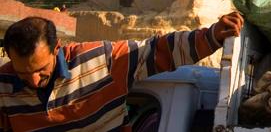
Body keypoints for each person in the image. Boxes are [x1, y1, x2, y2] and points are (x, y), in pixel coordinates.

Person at [0, 11, 244, 131]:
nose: (33, 80)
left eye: (40, 70)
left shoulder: (101, 61)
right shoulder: (4, 86)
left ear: (56, 49)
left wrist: (211, 36)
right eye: (22, 73)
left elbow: (159, 51)